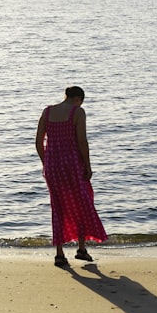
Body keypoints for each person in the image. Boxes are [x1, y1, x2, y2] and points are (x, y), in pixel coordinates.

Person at [35, 86, 107, 267]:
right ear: (78, 99)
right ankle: (81, 249)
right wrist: (88, 166)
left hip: (53, 168)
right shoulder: (78, 112)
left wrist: (47, 161)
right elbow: (82, 141)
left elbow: (38, 142)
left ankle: (59, 254)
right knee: (82, 204)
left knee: (58, 207)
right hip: (72, 166)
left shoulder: (48, 111)